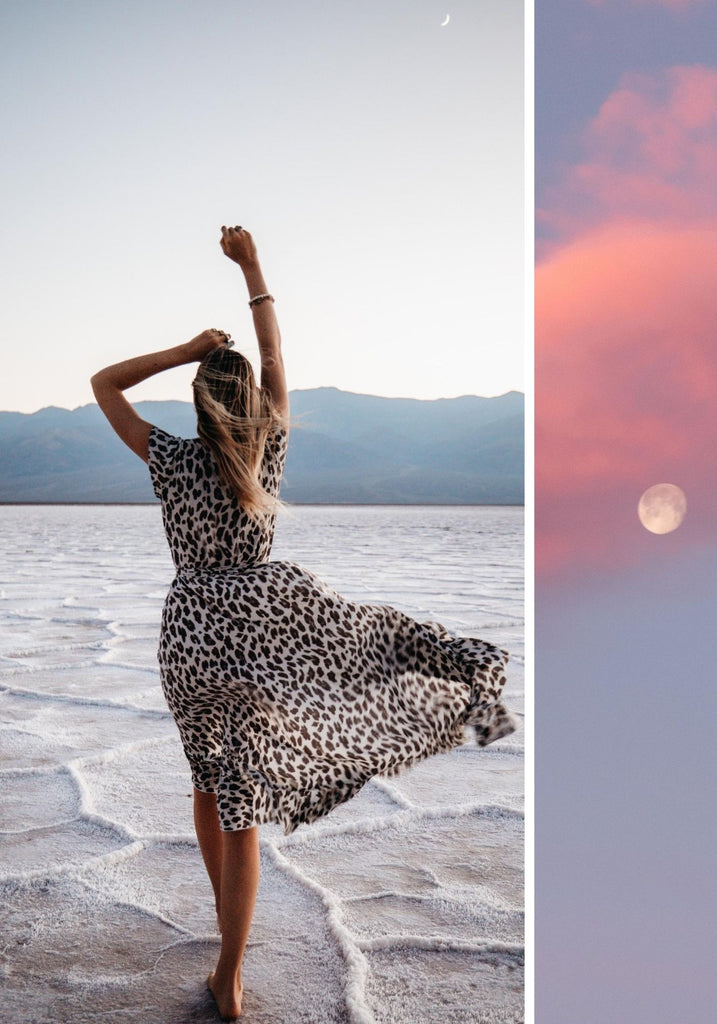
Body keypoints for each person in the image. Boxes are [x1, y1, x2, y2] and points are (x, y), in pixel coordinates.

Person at [91, 225, 516, 1021]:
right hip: (258, 627)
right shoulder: (267, 451)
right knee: (243, 802)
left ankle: (226, 954)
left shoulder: (169, 458)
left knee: (205, 782)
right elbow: (279, 360)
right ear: (250, 400)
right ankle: (231, 971)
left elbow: (103, 381)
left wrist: (184, 349)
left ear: (197, 401)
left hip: (188, 635)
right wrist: (252, 268)